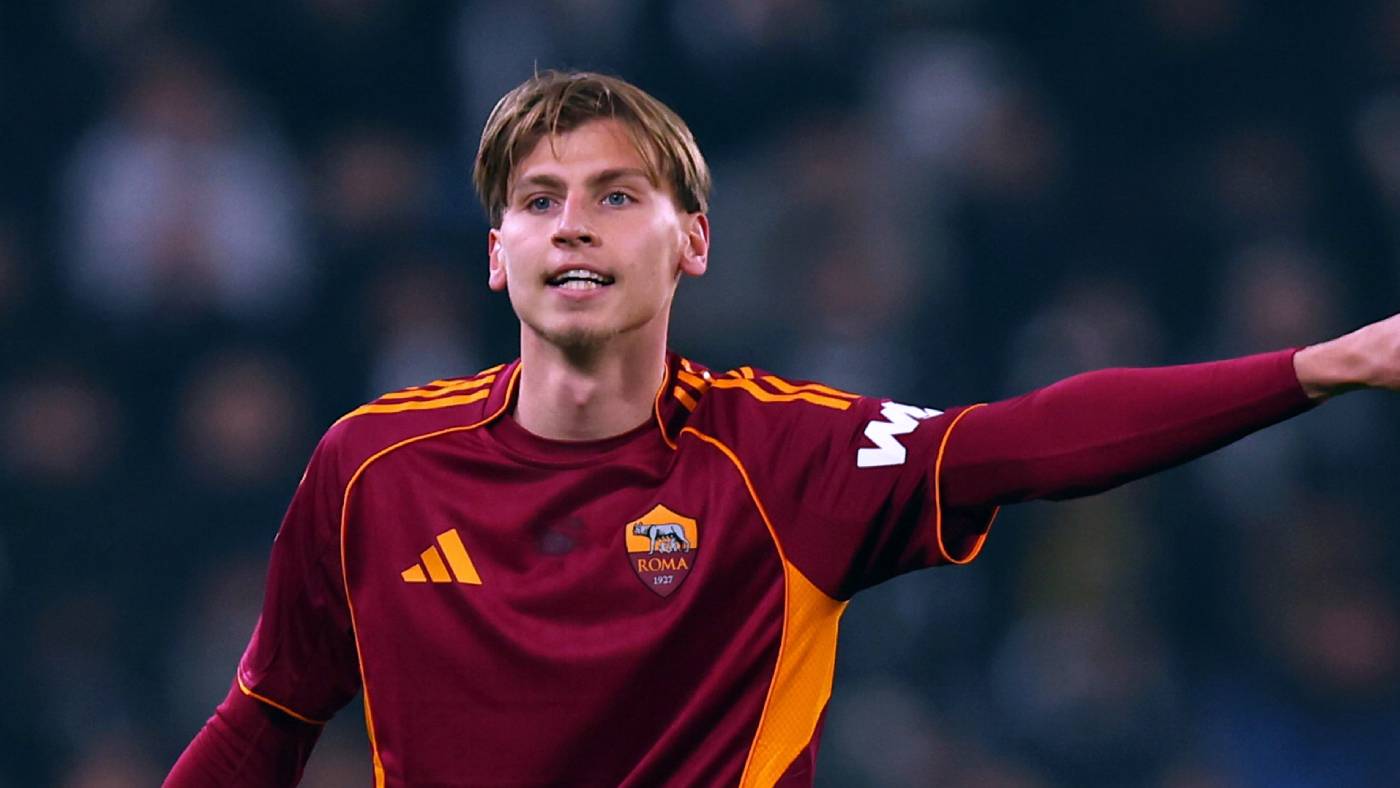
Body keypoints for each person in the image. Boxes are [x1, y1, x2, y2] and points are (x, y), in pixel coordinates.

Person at [166, 70, 1400, 787]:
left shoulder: (778, 454)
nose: (572, 223)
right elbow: (268, 717)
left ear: (692, 242)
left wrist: (1321, 364)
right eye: (537, 200)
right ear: (497, 253)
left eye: (616, 194)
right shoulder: (369, 467)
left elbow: (1028, 439)